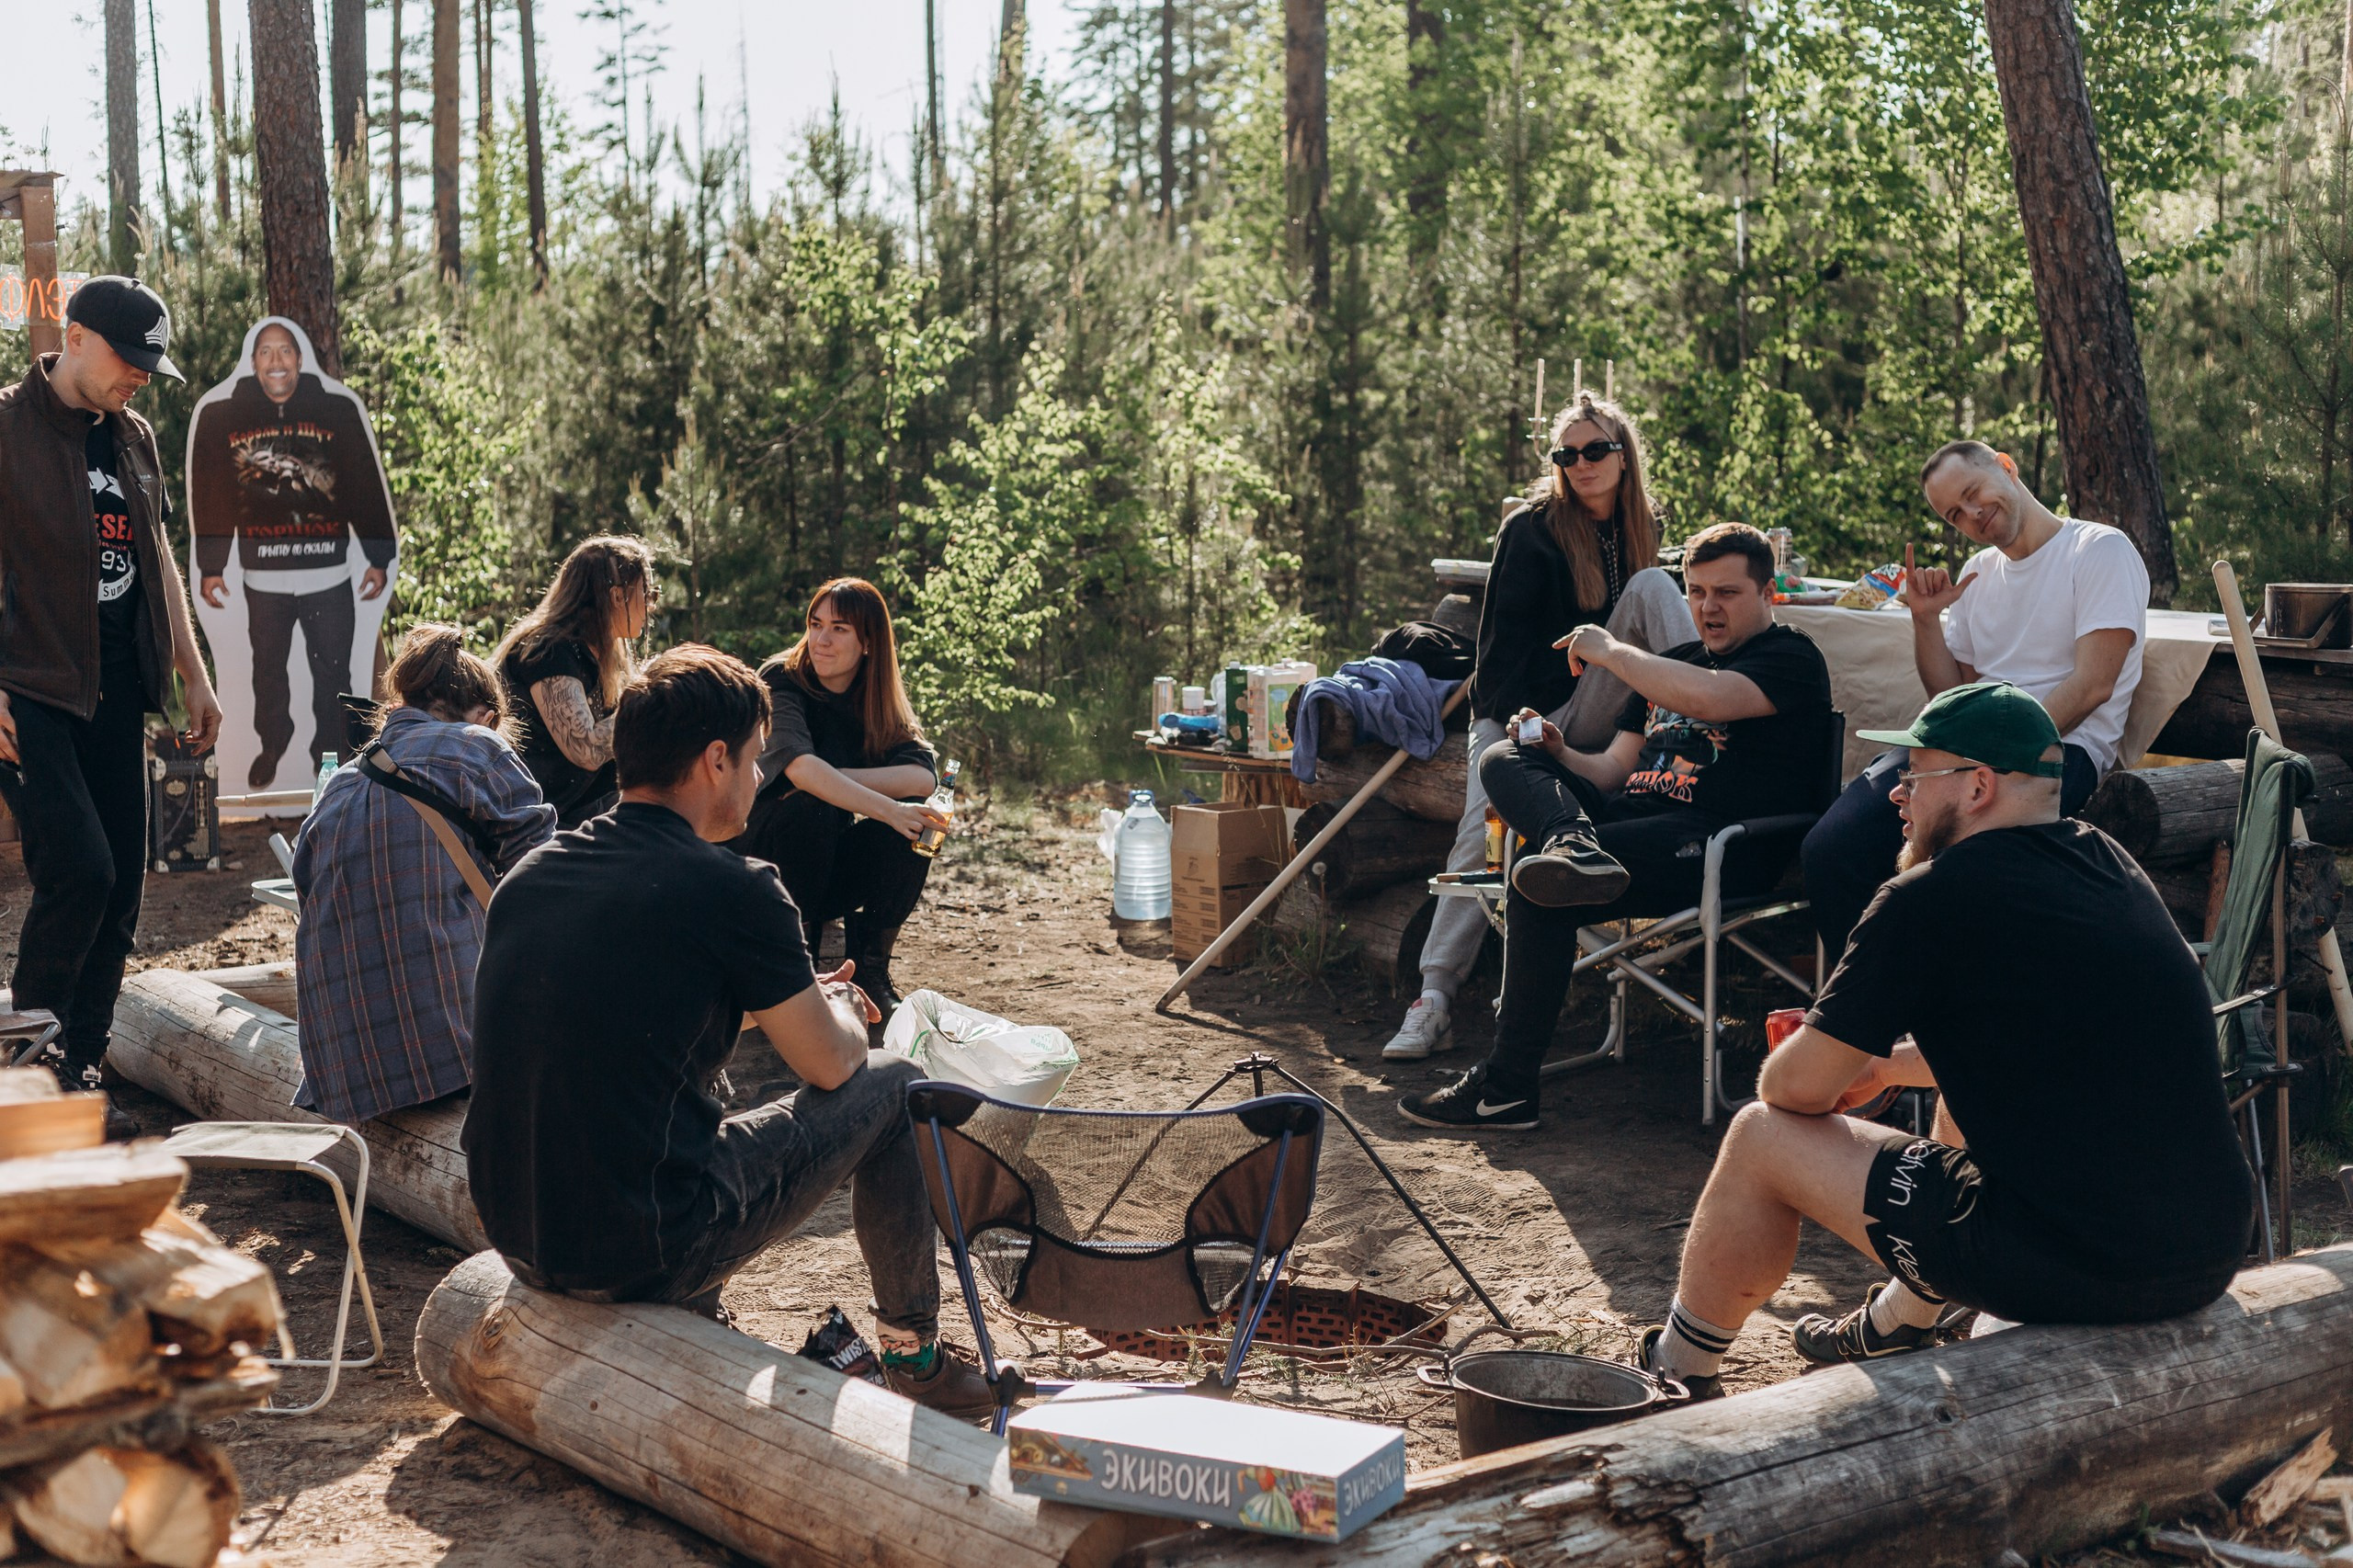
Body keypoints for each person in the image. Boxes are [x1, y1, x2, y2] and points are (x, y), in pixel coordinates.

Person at [1632, 682, 2251, 1397]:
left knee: (1759, 1137)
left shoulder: (1924, 896)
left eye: (1914, 774)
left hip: (2083, 1268)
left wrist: (1842, 1058)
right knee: (1965, 1072)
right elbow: (2041, 1044)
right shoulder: (2107, 862)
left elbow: (1790, 1090)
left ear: (1978, 785)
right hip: (2207, 1246)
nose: (1897, 795)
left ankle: (1677, 1370)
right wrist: (1892, 1064)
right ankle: (1905, 1317)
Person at [462, 644, 994, 1418]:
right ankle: (914, 1357)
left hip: (517, 1229)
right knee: (896, 1084)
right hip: (642, 1243)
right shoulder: (736, 886)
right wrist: (839, 1012)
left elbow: (630, 1001)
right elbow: (832, 1066)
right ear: (716, 760)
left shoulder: (537, 873)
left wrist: (779, 997)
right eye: (755, 760)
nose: (759, 777)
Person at [1400, 522, 1833, 1131]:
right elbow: (1610, 771)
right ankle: (1571, 843)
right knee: (1504, 757)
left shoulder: (1791, 658)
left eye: (1728, 593)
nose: (1708, 607)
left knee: (1536, 880)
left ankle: (1507, 1086)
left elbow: (1710, 700)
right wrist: (1558, 754)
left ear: (1767, 594)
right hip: (1629, 828)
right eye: (1697, 590)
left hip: (1717, 844)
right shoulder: (1674, 663)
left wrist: (1610, 651)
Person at [1382, 392, 1697, 1062]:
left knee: (1650, 587)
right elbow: (1500, 654)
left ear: (1624, 454)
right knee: (1480, 835)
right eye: (1567, 454)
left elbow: (1629, 645)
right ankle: (1432, 997)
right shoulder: (1532, 528)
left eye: (1595, 450)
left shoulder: (1643, 525)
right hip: (1520, 711)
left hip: (1597, 708)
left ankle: (1700, 711)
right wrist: (1523, 730)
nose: (1580, 464)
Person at [0, 277, 224, 1116]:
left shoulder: (133, 435)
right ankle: (29, 1081)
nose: (140, 375)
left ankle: (79, 1077)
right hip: (31, 691)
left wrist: (190, 679)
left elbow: (157, 559)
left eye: (150, 364)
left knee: (123, 884)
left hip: (118, 691)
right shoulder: (7, 428)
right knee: (81, 873)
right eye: (129, 359)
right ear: (77, 335)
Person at [1800, 439, 2147, 952]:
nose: (1972, 514)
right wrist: (1924, 619)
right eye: (1953, 514)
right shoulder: (1977, 572)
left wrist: (1983, 747)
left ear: (2006, 467)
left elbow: (2094, 685)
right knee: (1830, 848)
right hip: (1962, 750)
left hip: (2053, 752)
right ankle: (1872, 1016)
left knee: (1952, 872)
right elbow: (1949, 696)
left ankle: (1935, 1016)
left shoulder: (2098, 550)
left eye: (1972, 492)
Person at [291, 626, 555, 1124]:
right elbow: (545, 882)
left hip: (345, 1078)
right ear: (487, 717)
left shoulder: (338, 786)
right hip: (453, 1060)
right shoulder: (477, 744)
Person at [189, 318, 399, 787]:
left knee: (335, 676)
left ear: (300, 360)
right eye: (266, 352)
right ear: (253, 361)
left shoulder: (337, 412)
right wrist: (211, 566)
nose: (276, 361)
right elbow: (214, 494)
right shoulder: (227, 417)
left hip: (329, 573)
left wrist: (378, 557)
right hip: (264, 577)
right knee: (267, 671)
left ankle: (334, 759)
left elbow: (364, 484)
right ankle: (272, 743)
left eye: (285, 351)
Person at [733, 578, 947, 1021]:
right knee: (815, 805)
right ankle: (798, 977)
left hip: (822, 867)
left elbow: (923, 777)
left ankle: (869, 971)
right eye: (815, 624)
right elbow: (800, 770)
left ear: (867, 642)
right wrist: (884, 807)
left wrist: (836, 781)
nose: (821, 639)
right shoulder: (781, 678)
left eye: (839, 628)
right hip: (756, 866)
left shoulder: (873, 696)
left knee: (921, 823)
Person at [494, 535, 654, 827]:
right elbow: (587, 751)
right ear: (617, 597)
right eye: (647, 593)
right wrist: (647, 698)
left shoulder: (604, 650)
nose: (651, 605)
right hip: (549, 820)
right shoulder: (549, 650)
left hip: (584, 810)